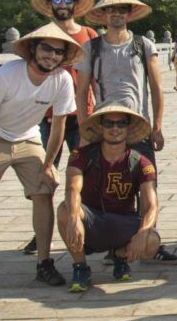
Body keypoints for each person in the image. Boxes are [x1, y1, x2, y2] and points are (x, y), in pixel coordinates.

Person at [0, 23, 84, 285]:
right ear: (33, 48)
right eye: (47, 48)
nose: (52, 56)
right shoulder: (9, 73)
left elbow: (59, 125)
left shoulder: (62, 79)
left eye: (58, 52)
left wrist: (48, 163)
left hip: (28, 138)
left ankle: (44, 262)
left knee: (44, 191)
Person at [76, 0, 177, 264]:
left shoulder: (142, 45)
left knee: (148, 183)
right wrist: (85, 128)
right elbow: (82, 90)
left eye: (121, 10)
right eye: (111, 10)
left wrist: (157, 125)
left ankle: (148, 239)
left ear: (129, 14)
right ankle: (113, 243)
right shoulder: (92, 47)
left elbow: (156, 87)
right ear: (103, 15)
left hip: (137, 124)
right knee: (108, 184)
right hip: (105, 123)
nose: (116, 14)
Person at [21, 0, 98, 256]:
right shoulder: (41, 36)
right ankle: (41, 234)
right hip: (47, 116)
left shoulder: (88, 35)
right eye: (57, 1)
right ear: (50, 5)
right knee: (43, 177)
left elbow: (95, 77)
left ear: (75, 5)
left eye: (67, 1)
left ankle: (84, 225)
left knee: (86, 175)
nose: (62, 6)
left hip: (82, 116)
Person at [57, 102, 162, 292]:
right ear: (100, 127)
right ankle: (80, 266)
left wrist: (143, 232)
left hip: (123, 222)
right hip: (91, 219)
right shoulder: (81, 155)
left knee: (152, 240)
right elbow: (72, 188)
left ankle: (120, 256)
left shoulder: (141, 162)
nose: (115, 129)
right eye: (109, 124)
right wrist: (73, 218)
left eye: (121, 123)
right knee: (65, 209)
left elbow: (151, 205)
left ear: (129, 128)